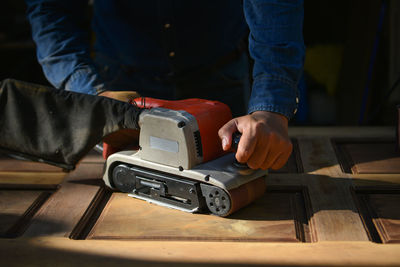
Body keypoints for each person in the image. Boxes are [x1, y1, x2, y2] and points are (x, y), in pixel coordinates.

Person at [25, 0, 304, 170]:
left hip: (219, 83)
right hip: (120, 93)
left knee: (231, 182)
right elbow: (51, 8)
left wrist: (271, 108)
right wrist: (90, 96)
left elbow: (275, 6)